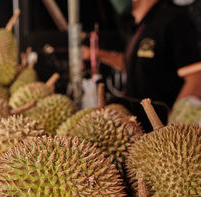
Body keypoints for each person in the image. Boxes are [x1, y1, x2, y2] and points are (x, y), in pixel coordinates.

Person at [82, 0, 201, 131]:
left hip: (162, 132)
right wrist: (96, 54)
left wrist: (175, 123)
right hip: (139, 130)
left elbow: (196, 77)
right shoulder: (140, 26)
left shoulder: (174, 20)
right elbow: (132, 65)